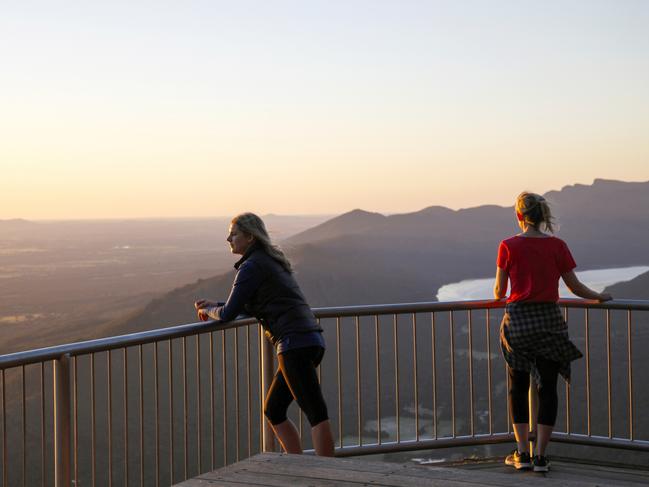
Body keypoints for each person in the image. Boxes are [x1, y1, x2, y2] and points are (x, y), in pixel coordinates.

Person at [194, 212, 335, 456]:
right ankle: (298, 466)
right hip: (309, 339)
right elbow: (247, 306)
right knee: (274, 410)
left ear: (249, 236)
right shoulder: (268, 261)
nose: (229, 239)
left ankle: (328, 477)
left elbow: (228, 313)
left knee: (316, 412)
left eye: (234, 234)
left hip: (294, 344)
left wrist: (209, 310)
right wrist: (215, 304)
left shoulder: (251, 267)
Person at [493, 192, 611, 472]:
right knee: (548, 389)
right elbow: (575, 287)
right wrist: (600, 296)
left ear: (520, 216)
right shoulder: (558, 246)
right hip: (549, 321)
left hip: (518, 322)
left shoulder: (507, 246)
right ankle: (541, 457)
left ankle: (521, 453)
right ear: (543, 216)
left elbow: (499, 292)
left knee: (518, 387)